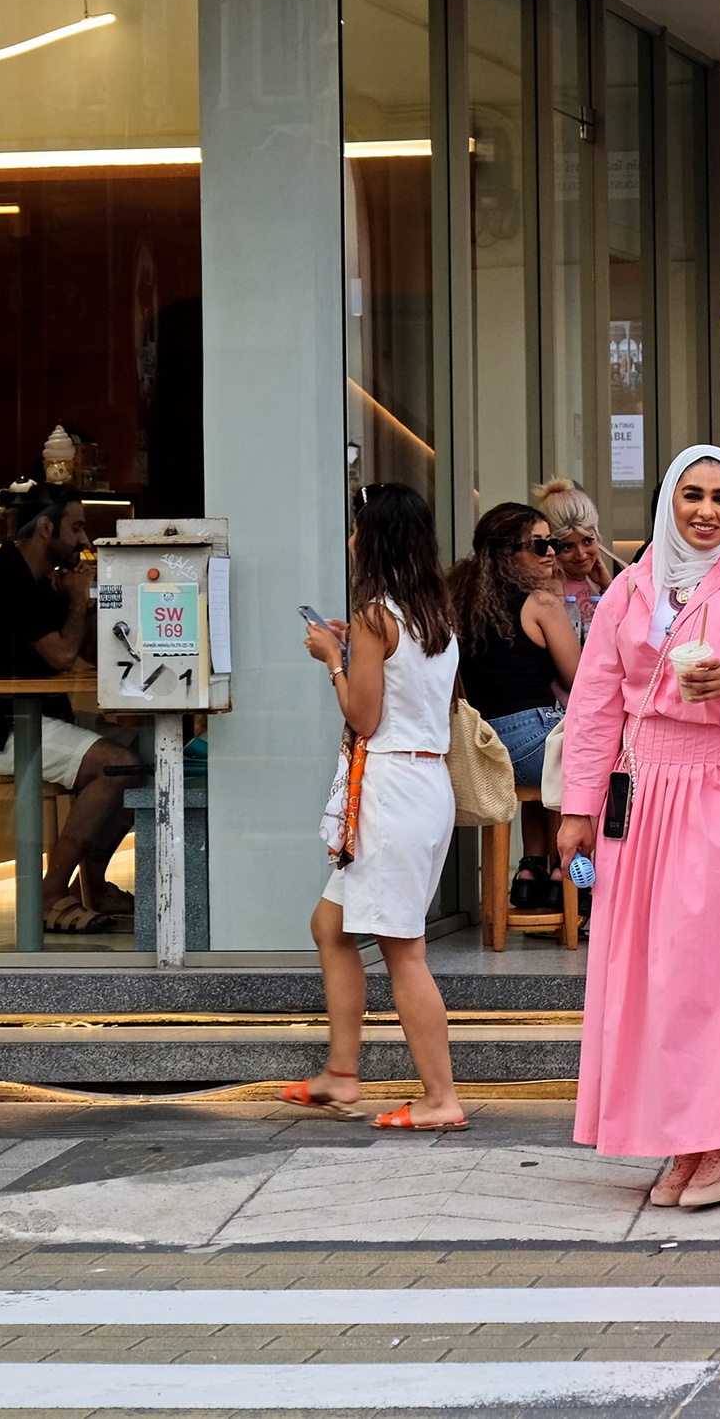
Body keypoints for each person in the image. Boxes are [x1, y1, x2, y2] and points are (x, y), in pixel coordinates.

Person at [556, 447, 720, 1210]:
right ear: (669, 502)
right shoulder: (631, 590)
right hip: (644, 794)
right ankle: (685, 1138)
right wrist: (577, 809)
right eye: (692, 496)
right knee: (655, 971)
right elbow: (595, 703)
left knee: (719, 972)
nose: (707, 511)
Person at [287, 483, 469, 1128]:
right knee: (330, 926)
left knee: (404, 952)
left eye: (357, 527)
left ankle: (441, 1098)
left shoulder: (372, 617)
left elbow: (363, 716)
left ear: (374, 539)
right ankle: (341, 1073)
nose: (350, 538)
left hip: (390, 790)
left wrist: (333, 660)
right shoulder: (435, 615)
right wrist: (353, 650)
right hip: (425, 785)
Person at [0, 495, 138, 932]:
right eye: (76, 528)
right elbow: (62, 656)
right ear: (45, 528)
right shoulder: (3, 578)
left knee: (141, 751)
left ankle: (92, 883)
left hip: (36, 718)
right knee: (116, 764)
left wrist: (85, 601)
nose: (85, 540)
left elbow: (92, 656)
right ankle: (50, 893)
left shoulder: (41, 582)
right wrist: (77, 600)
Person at [450, 503, 583, 904]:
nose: (551, 552)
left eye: (552, 543)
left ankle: (531, 870)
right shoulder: (540, 604)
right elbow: (580, 681)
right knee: (591, 760)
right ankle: (567, 872)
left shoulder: (457, 599)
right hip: (531, 739)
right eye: (539, 544)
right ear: (507, 552)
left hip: (479, 743)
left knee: (547, 771)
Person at [535, 478, 620, 643]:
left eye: (588, 541)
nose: (581, 555)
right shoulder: (548, 589)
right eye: (568, 547)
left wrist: (608, 586)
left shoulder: (601, 581)